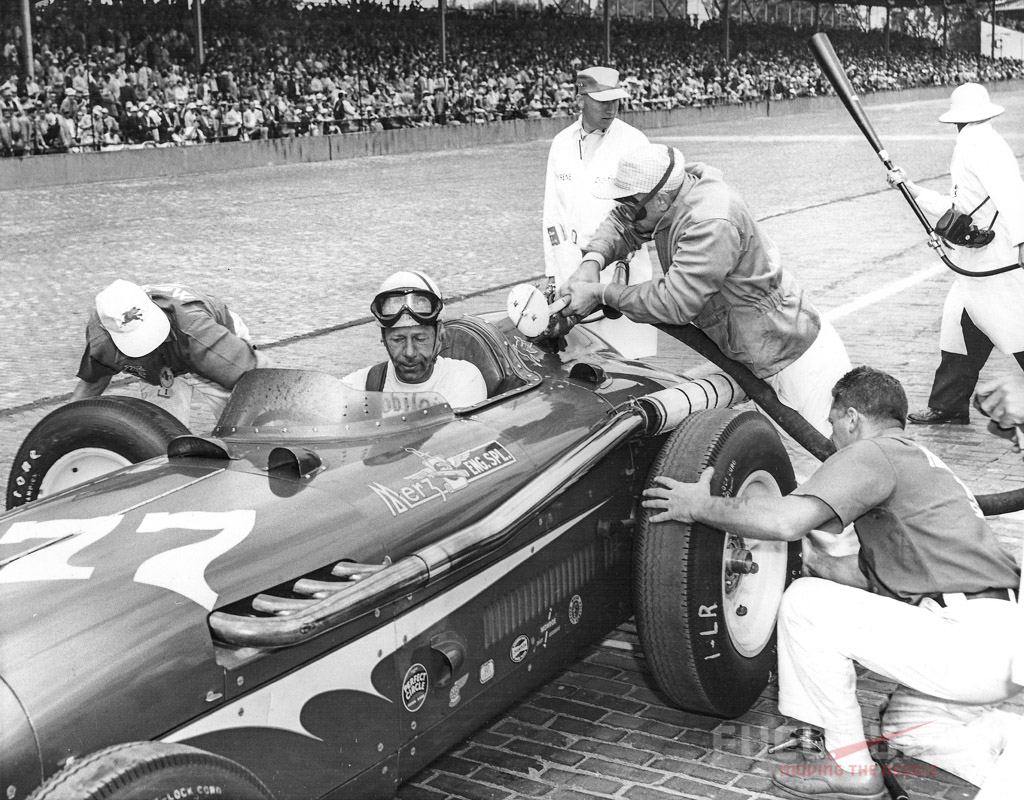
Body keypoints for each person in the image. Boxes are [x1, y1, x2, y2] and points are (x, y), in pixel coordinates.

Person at [642, 366, 1021, 796]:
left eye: (833, 423)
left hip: (969, 641)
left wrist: (699, 506)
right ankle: (1014, 744)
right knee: (906, 727)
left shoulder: (873, 453)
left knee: (805, 605)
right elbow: (868, 575)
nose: (832, 436)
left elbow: (785, 521)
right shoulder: (923, 464)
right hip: (998, 640)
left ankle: (849, 764)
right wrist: (809, 560)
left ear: (853, 417)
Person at [560, 143, 850, 438]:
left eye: (632, 204)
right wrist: (592, 260)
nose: (627, 210)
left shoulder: (710, 222)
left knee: (835, 452)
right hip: (758, 348)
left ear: (659, 201)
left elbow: (674, 303)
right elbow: (624, 220)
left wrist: (601, 293)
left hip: (793, 353)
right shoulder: (676, 190)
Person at [886, 82, 1024, 426]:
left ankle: (948, 404)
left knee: (1014, 329)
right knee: (959, 326)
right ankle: (948, 405)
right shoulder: (977, 140)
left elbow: (1012, 195)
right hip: (978, 263)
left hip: (997, 263)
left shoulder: (980, 144)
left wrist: (1022, 240)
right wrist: (911, 189)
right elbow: (960, 207)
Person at [542, 67, 657, 360]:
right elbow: (552, 214)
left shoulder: (635, 142)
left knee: (630, 363)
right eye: (601, 101)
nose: (610, 108)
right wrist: (552, 273)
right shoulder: (560, 144)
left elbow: (643, 213)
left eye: (615, 100)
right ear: (581, 97)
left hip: (621, 268)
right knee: (581, 364)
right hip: (572, 267)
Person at [73, 280, 272, 428]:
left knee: (249, 430)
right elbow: (93, 381)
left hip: (209, 348)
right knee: (161, 437)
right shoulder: (102, 339)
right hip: (163, 368)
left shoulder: (200, 333)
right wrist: (63, 429)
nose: (147, 345)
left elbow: (261, 379)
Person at [342, 270, 487, 410]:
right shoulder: (362, 386)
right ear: (383, 339)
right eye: (398, 340)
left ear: (440, 333)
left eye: (420, 338)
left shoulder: (462, 379)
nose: (410, 353)